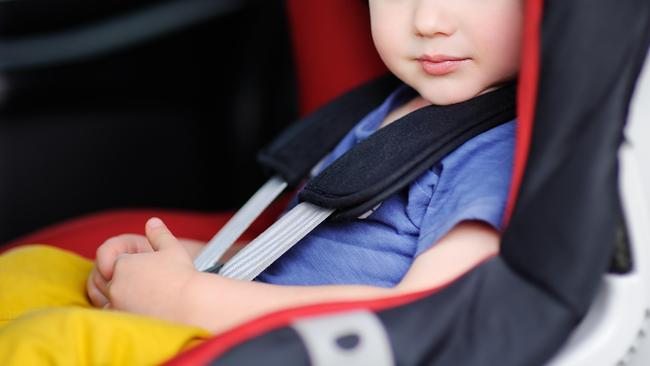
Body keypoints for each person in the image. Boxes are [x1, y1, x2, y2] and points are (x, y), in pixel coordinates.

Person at [0, 0, 523, 364]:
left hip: (302, 348)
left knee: (49, 342)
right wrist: (198, 258)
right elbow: (318, 253)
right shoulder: (396, 106)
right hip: (250, 308)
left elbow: (436, 315)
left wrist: (188, 298)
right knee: (27, 271)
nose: (427, 20)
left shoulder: (495, 152)